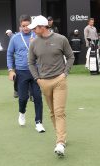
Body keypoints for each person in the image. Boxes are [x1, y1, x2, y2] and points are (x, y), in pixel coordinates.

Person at [28, 15, 75, 156]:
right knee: (53, 112)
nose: (33, 30)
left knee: (59, 112)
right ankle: (60, 137)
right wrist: (37, 79)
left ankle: (60, 142)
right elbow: (30, 63)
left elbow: (71, 56)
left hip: (60, 81)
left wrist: (65, 73)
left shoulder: (61, 39)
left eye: (35, 28)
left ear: (42, 27)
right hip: (44, 82)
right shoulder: (34, 43)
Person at [7, 14, 45, 133]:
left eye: (28, 25)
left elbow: (44, 52)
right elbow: (9, 55)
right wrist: (10, 70)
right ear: (20, 26)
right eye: (23, 26)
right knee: (23, 98)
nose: (26, 28)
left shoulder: (38, 36)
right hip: (21, 71)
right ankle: (22, 113)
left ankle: (38, 122)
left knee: (38, 97)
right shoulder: (15, 38)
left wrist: (36, 44)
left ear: (31, 24)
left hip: (36, 71)